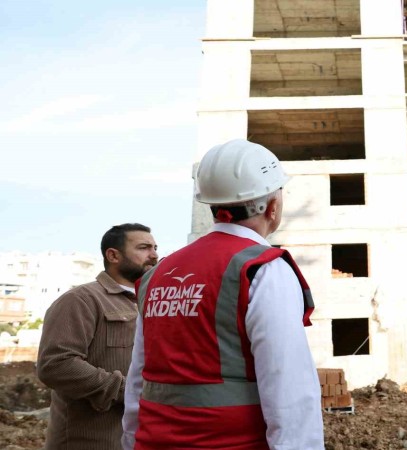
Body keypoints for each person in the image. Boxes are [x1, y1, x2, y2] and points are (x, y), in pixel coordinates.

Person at [122, 139, 324, 450]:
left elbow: (138, 380)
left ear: (213, 206)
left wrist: (130, 442)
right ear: (273, 206)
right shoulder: (263, 269)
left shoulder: (158, 274)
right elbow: (290, 391)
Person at [37, 223, 158, 450]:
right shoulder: (81, 300)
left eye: (154, 248)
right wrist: (129, 391)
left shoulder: (150, 302)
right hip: (90, 441)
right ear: (113, 255)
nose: (153, 255)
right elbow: (56, 365)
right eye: (143, 248)